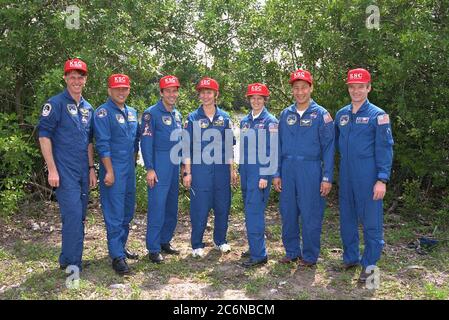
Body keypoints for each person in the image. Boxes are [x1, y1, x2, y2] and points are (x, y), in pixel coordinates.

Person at [37, 58, 97, 271]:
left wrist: (91, 168)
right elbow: (44, 136)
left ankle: (67, 257)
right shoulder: (55, 104)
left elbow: (89, 141)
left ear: (85, 79)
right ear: (65, 78)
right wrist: (51, 169)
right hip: (64, 172)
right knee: (72, 215)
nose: (76, 80)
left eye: (80, 76)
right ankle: (74, 263)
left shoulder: (88, 108)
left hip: (82, 171)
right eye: (72, 76)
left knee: (79, 216)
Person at [335, 68, 394, 282]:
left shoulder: (378, 116)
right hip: (346, 176)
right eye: (352, 86)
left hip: (368, 177)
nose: (356, 90)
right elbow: (331, 143)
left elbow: (385, 148)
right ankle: (351, 258)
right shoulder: (341, 114)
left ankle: (370, 267)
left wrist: (382, 179)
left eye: (361, 86)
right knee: (347, 220)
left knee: (371, 223)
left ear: (369, 88)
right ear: (349, 88)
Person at [273, 69, 335, 267]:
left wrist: (327, 177)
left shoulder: (321, 115)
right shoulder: (285, 114)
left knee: (310, 213)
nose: (300, 92)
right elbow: (278, 146)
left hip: (311, 169)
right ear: (292, 90)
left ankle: (309, 255)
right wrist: (277, 173)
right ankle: (292, 251)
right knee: (288, 212)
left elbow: (329, 149)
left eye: (304, 88)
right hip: (288, 169)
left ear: (311, 88)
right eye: (296, 88)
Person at [182, 77, 238, 258]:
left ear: (216, 95)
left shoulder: (225, 118)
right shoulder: (192, 118)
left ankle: (220, 240)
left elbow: (229, 146)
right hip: (200, 171)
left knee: (223, 206)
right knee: (200, 207)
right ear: (199, 95)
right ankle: (197, 244)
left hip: (221, 170)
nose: (206, 96)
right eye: (202, 92)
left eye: (209, 92)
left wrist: (232, 170)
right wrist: (187, 172)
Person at [93, 74, 140, 275]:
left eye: (125, 88)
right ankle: (116, 256)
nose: (121, 92)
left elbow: (136, 139)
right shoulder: (103, 113)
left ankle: (121, 246)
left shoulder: (131, 112)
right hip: (113, 168)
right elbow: (102, 144)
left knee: (127, 210)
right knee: (114, 211)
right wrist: (109, 171)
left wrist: (135, 159)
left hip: (129, 168)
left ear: (129, 90)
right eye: (117, 89)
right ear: (109, 91)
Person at [141, 75, 183, 263]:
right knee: (157, 206)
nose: (172, 94)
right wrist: (150, 168)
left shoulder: (177, 114)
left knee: (171, 206)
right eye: (168, 91)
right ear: (161, 92)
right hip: (159, 164)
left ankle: (165, 240)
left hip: (174, 165)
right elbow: (146, 142)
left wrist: (183, 166)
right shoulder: (151, 113)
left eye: (175, 91)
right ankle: (153, 247)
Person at [239, 83, 278, 268]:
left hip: (260, 173)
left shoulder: (270, 121)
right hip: (246, 171)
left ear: (265, 100)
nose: (255, 101)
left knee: (254, 212)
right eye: (252, 98)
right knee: (250, 211)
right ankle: (255, 246)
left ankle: (259, 255)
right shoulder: (245, 121)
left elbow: (272, 150)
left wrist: (265, 175)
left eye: (259, 98)